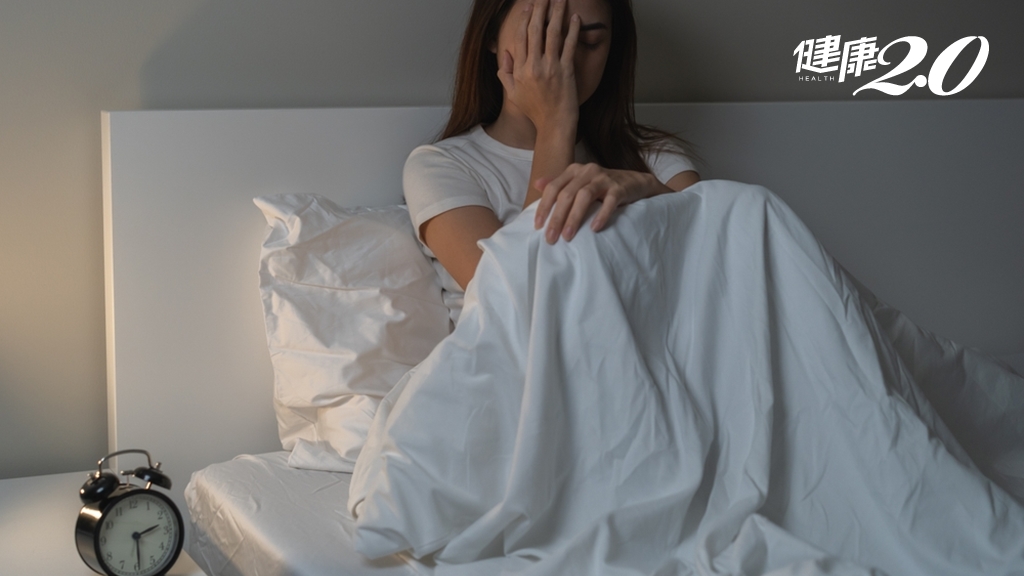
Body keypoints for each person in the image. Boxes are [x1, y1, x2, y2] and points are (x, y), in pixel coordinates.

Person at [404, 0, 700, 323]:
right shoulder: (440, 167)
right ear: (491, 35)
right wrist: (555, 122)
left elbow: (716, 272)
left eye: (589, 42)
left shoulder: (652, 157)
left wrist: (651, 190)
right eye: (543, 34)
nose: (565, 59)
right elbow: (519, 309)